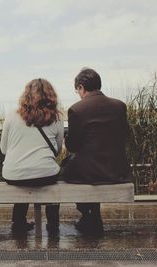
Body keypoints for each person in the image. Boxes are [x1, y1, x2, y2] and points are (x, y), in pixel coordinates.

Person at [60, 68, 131, 235]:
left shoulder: (77, 109)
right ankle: (93, 216)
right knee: (84, 167)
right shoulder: (119, 106)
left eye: (77, 89)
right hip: (116, 169)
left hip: (91, 171)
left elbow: (73, 146)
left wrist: (65, 141)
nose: (78, 93)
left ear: (81, 87)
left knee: (66, 169)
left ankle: (87, 214)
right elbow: (125, 134)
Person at [0, 78, 64, 234]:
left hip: (13, 174)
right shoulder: (56, 118)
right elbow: (57, 150)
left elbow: (3, 149)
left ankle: (18, 222)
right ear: (51, 97)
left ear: (26, 95)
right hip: (45, 174)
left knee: (23, 178)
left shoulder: (11, 116)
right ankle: (53, 224)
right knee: (51, 178)